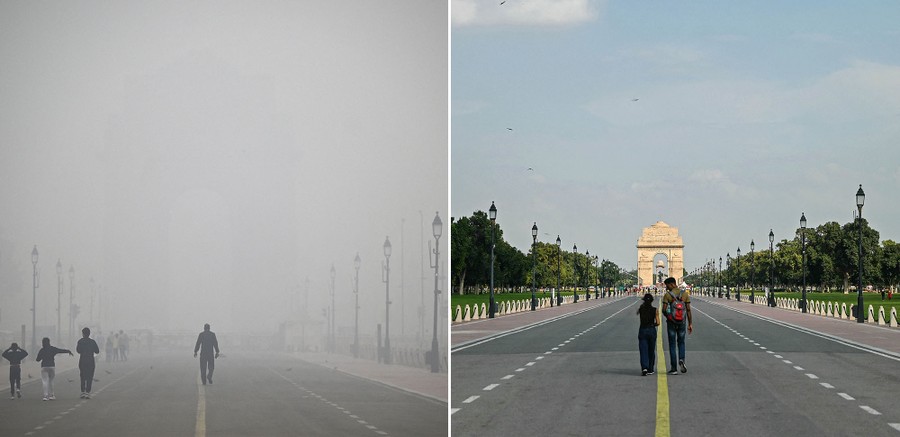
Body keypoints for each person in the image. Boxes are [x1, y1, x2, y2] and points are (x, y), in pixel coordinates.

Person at [660, 277, 692, 375]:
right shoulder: (685, 294)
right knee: (681, 342)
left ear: (672, 284)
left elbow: (664, 310)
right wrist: (690, 323)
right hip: (682, 322)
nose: (666, 288)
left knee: (672, 344)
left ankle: (674, 368)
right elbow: (688, 310)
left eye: (667, 286)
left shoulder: (668, 295)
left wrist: (669, 317)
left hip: (671, 323)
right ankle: (681, 359)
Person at [636, 293, 660, 376]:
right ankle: (650, 369)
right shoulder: (655, 310)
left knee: (643, 350)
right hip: (651, 330)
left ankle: (644, 368)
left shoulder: (641, 309)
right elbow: (658, 322)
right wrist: (653, 324)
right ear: (652, 301)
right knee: (651, 350)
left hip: (642, 330)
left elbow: (639, 314)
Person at [76, 327, 101, 399]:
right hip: (90, 360)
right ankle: (87, 392)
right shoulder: (92, 342)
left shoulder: (80, 341)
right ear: (89, 334)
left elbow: (78, 350)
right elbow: (97, 351)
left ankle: (82, 392)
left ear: (83, 334)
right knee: (90, 376)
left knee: (83, 376)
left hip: (82, 360)